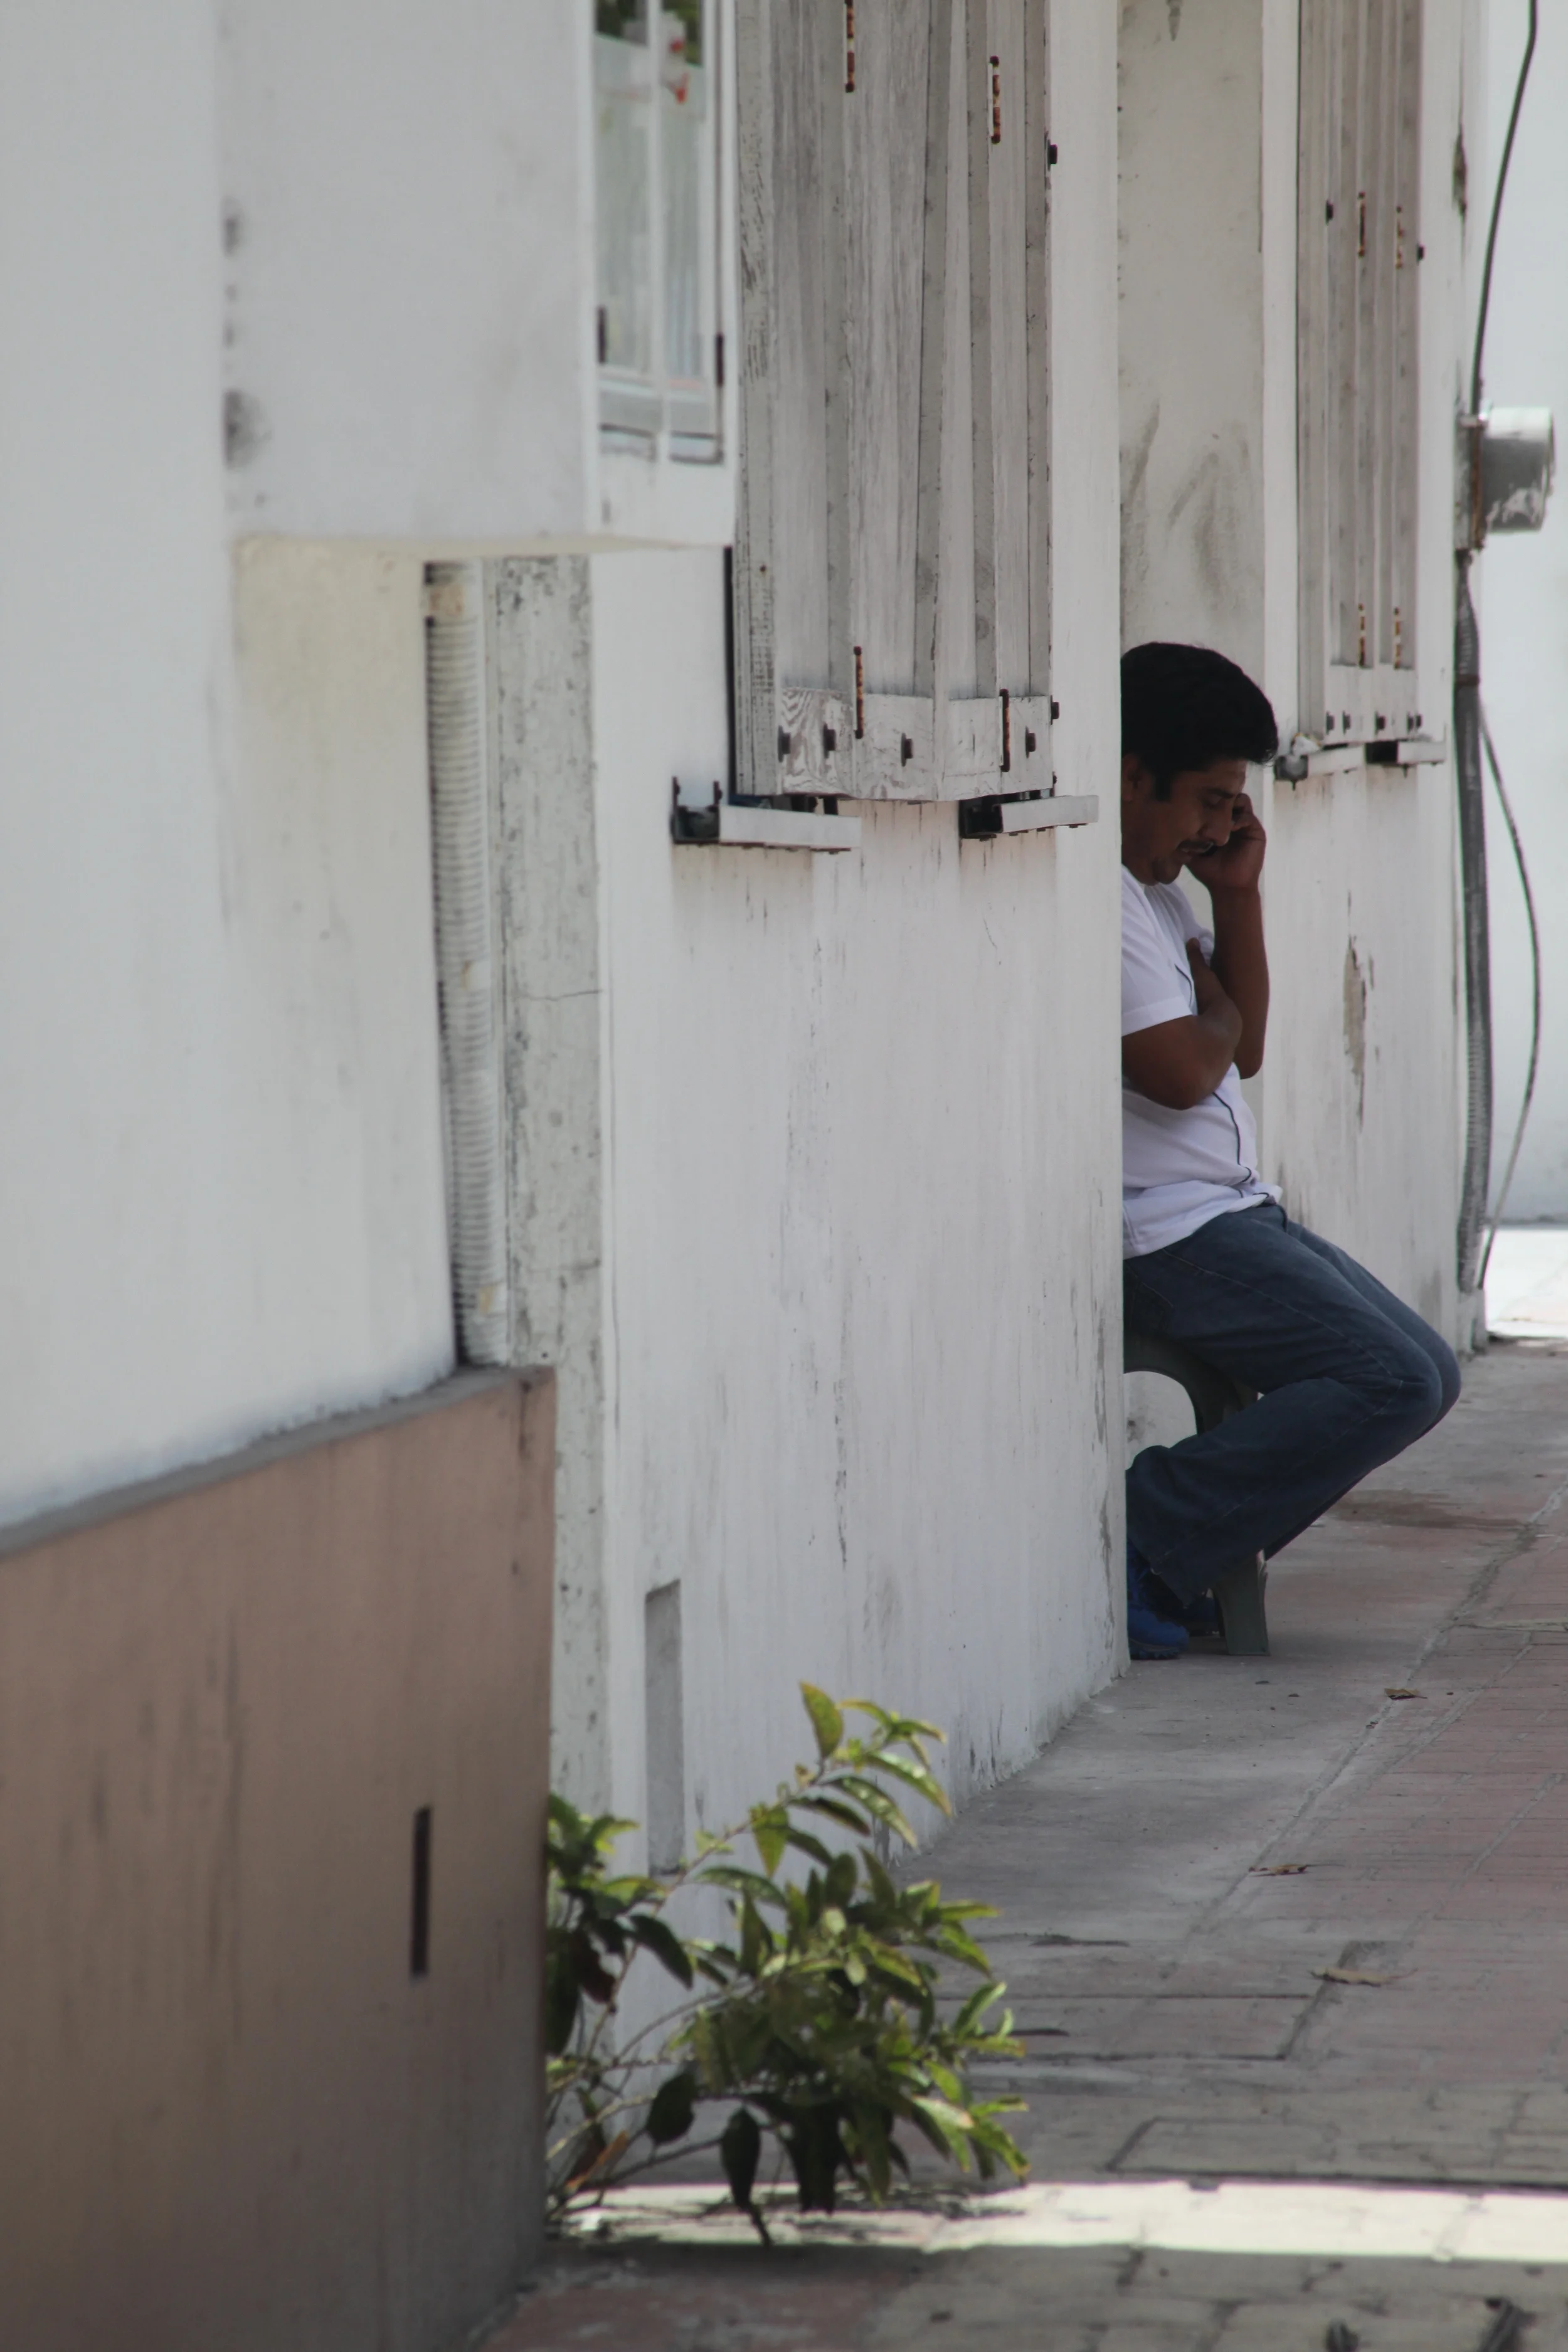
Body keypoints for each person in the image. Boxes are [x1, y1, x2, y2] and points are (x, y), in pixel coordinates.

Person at [1119, 642, 1461, 1660]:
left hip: (1228, 1209)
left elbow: (1244, 1047)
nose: (1220, 825)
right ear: (1134, 776)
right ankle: (1146, 1530)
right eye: (1209, 799)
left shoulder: (1164, 895)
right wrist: (1216, 1012)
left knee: (1431, 1371)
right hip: (1170, 1235)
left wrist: (1237, 899)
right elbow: (1187, 1071)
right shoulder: (1106, 903)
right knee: (1391, 1378)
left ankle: (1190, 1549)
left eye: (1236, 805)